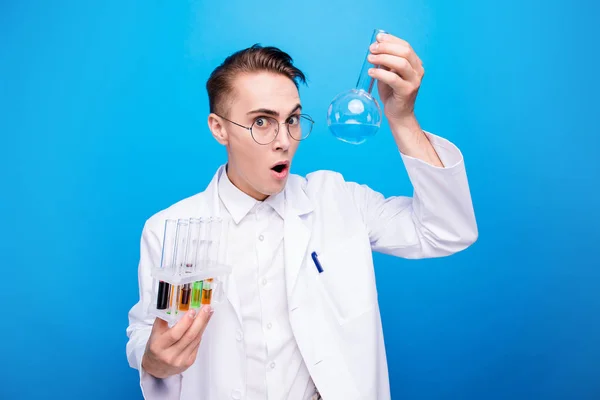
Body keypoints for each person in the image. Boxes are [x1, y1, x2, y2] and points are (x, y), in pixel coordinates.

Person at [126, 32, 478, 400]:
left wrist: (402, 118)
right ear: (219, 128)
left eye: (292, 119)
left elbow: (447, 230)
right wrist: (153, 360)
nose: (283, 139)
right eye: (262, 122)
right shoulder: (170, 228)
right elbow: (146, 333)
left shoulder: (340, 202)